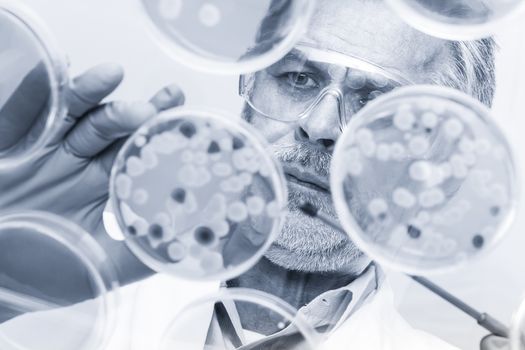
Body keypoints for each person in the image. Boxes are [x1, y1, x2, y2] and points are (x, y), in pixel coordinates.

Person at [0, 0, 508, 348]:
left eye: (380, 110)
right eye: (297, 78)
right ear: (248, 85)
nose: (320, 125)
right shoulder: (59, 309)